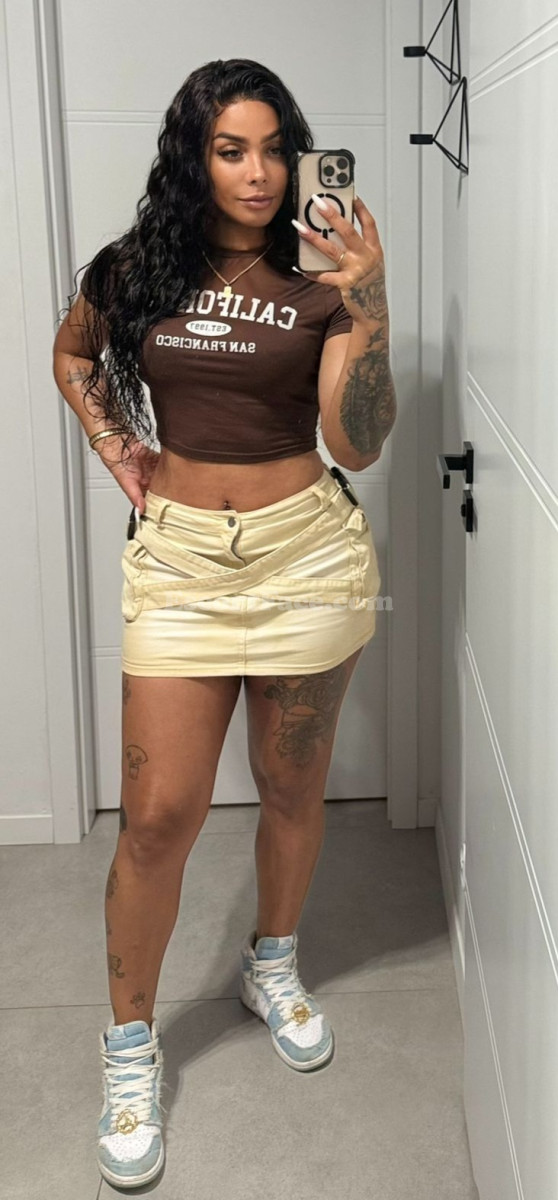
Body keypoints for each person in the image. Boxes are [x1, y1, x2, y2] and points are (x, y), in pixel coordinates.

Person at [52, 57, 396, 1190]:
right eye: (230, 149)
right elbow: (73, 352)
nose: (258, 173)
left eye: (274, 149)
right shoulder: (140, 267)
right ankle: (131, 1047)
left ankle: (272, 962)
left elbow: (357, 443)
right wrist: (119, 446)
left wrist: (370, 306)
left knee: (292, 788)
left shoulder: (324, 276)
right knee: (157, 818)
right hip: (183, 566)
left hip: (308, 556)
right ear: (192, 159)